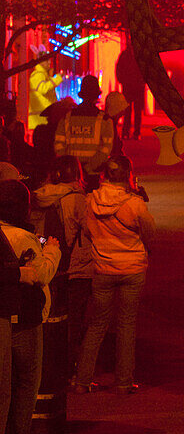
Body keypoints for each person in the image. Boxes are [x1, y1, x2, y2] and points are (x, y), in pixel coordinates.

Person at [71, 156, 155, 395]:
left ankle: (82, 380)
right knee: (126, 325)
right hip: (132, 268)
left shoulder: (90, 201)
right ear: (129, 175)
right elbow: (149, 232)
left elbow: (87, 232)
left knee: (97, 323)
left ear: (103, 176)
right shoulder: (134, 204)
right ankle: (123, 382)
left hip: (103, 268)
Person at [0, 179, 61, 434]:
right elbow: (40, 275)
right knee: (25, 386)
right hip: (25, 319)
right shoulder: (22, 237)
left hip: (8, 317)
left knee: (8, 388)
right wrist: (52, 251)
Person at [32, 157, 92, 378]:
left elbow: (35, 234)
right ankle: (67, 365)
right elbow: (89, 231)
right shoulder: (77, 199)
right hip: (75, 266)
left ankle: (46, 363)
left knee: (47, 316)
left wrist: (46, 246)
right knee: (73, 319)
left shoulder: (39, 196)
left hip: (48, 262)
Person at [53, 75, 114, 182]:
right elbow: (106, 149)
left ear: (82, 94)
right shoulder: (105, 120)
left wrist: (72, 167)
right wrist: (88, 168)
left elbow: (58, 146)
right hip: (93, 175)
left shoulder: (67, 117)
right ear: (97, 96)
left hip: (71, 175)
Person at [115, 44, 146, 140]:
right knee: (129, 110)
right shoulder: (139, 55)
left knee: (136, 111)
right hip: (130, 85)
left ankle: (134, 132)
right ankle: (128, 132)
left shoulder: (127, 55)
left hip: (135, 86)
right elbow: (119, 68)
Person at [28, 47, 62, 131]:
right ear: (41, 61)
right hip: (40, 121)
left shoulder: (43, 75)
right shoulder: (38, 75)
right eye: (47, 60)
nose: (49, 62)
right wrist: (57, 79)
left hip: (42, 120)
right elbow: (43, 89)